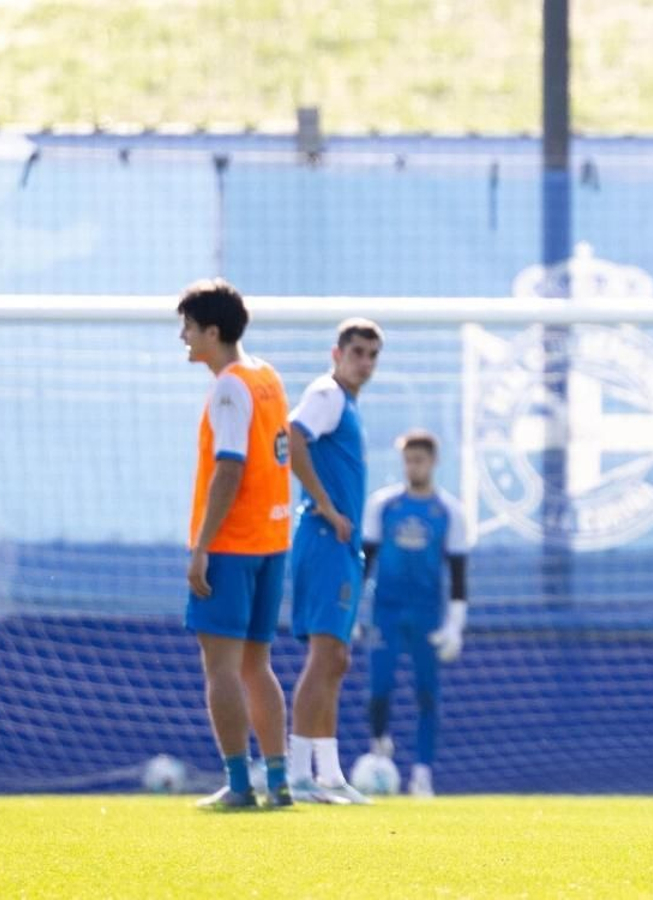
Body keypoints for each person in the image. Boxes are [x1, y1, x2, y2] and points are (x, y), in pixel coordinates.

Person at [177, 278, 294, 810]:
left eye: (189, 327)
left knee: (221, 669)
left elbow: (230, 466)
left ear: (213, 331)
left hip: (232, 544)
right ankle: (280, 779)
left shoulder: (229, 387)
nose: (184, 337)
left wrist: (202, 545)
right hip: (272, 541)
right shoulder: (266, 374)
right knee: (257, 665)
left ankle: (240, 785)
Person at [286, 317, 383, 804]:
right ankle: (298, 773)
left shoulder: (349, 404)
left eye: (372, 355)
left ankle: (328, 774)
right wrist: (323, 504)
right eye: (357, 352)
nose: (364, 363)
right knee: (324, 656)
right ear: (336, 353)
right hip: (324, 537)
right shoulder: (325, 394)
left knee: (337, 658)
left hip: (341, 542)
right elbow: (292, 435)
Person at [360, 429, 471, 798]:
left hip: (427, 613)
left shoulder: (449, 511)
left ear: (433, 462)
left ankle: (422, 771)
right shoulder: (383, 506)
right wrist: (353, 615)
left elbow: (457, 574)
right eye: (408, 460)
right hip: (386, 610)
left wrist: (455, 626)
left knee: (426, 692)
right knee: (379, 689)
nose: (414, 466)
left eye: (420, 460)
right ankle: (379, 750)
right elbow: (366, 562)